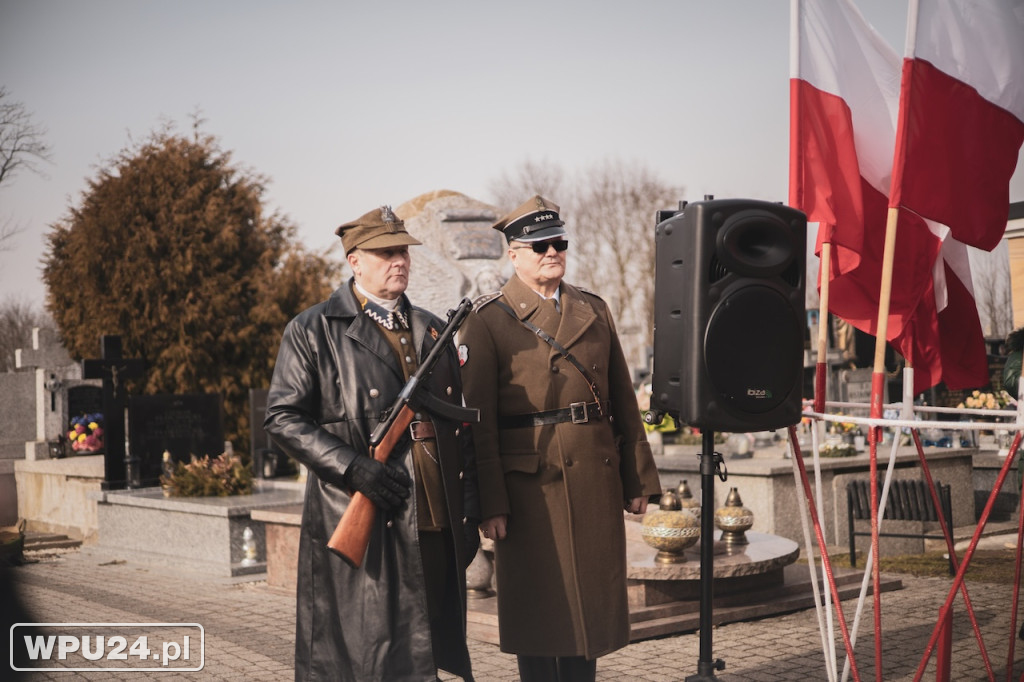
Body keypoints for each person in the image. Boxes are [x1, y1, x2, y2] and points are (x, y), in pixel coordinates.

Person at [264, 206, 479, 682]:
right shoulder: (314, 328)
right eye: (385, 252)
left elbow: (460, 431)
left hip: (434, 513)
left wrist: (467, 509)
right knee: (372, 657)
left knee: (428, 653)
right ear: (354, 261)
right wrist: (350, 466)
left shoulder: (431, 327)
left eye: (402, 250)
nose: (399, 260)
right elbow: (282, 418)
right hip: (364, 510)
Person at [457, 195, 661, 681]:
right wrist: (489, 501)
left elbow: (623, 402)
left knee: (587, 610)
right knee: (538, 612)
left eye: (559, 243)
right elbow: (476, 421)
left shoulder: (593, 308)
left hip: (593, 475)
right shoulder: (487, 319)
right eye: (539, 245)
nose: (552, 252)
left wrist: (638, 478)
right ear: (513, 254)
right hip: (529, 486)